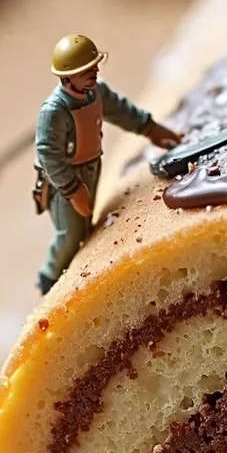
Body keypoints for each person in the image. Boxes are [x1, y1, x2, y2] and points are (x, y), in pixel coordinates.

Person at [34, 35, 182, 293]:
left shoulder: (97, 92)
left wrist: (150, 129)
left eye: (94, 65)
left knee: (86, 227)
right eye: (86, 69)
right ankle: (49, 280)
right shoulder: (54, 111)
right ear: (68, 77)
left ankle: (78, 281)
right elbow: (48, 154)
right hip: (65, 179)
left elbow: (121, 111)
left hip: (92, 166)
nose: (94, 71)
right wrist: (71, 189)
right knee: (70, 234)